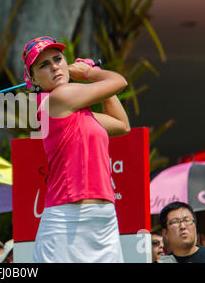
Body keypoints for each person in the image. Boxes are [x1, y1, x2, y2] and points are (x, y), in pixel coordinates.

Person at [23, 36, 130, 263]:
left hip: (104, 220)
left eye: (57, 59)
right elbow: (119, 81)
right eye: (44, 65)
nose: (54, 66)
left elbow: (122, 125)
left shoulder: (82, 112)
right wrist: (89, 73)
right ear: (32, 78)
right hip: (67, 221)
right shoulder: (57, 99)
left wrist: (93, 79)